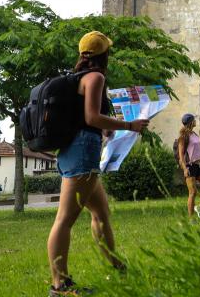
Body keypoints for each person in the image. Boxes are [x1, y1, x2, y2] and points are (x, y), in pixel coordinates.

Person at [47, 31, 150, 296]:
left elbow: (87, 118)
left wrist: (106, 129)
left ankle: (118, 266)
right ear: (104, 54)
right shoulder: (96, 77)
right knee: (65, 220)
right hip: (82, 151)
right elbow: (92, 117)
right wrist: (129, 125)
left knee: (101, 214)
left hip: (77, 148)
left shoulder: (78, 78)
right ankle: (59, 286)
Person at [178, 113, 200, 219]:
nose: (196, 121)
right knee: (192, 192)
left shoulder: (194, 134)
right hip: (190, 166)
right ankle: (191, 219)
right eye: (194, 119)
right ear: (190, 122)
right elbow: (181, 156)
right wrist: (185, 169)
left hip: (199, 165)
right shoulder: (183, 137)